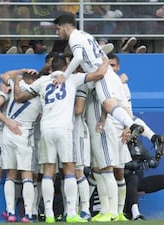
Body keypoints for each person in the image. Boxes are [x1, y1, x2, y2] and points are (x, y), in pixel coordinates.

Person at [11, 54, 109, 223]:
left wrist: (15, 81)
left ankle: (48, 214)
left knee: (48, 171)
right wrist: (105, 61)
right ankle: (71, 212)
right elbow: (99, 74)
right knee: (69, 168)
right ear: (65, 66)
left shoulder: (41, 81)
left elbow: (19, 97)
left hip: (46, 128)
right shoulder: (72, 78)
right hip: (64, 128)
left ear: (50, 67)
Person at [53, 12, 146, 144]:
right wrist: (104, 65)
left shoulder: (73, 38)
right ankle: (145, 132)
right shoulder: (86, 35)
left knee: (109, 105)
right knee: (115, 106)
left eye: (58, 29)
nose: (57, 33)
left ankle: (132, 125)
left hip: (101, 75)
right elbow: (104, 57)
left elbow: (78, 57)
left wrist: (64, 75)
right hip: (107, 73)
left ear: (67, 27)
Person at [0, 69, 42, 223]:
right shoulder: (39, 92)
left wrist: (20, 73)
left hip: (9, 130)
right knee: (26, 174)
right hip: (24, 133)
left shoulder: (17, 83)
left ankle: (10, 212)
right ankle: (28, 213)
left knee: (10, 173)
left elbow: (3, 75)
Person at [124, 139, 164, 221]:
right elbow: (116, 165)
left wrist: (156, 158)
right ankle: (136, 214)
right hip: (124, 183)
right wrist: (134, 165)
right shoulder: (119, 144)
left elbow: (152, 162)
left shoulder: (139, 146)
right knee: (132, 177)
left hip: (139, 182)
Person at [0, 82, 21, 222]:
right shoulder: (7, 93)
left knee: (14, 171)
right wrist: (8, 121)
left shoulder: (26, 94)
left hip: (12, 134)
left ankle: (10, 210)